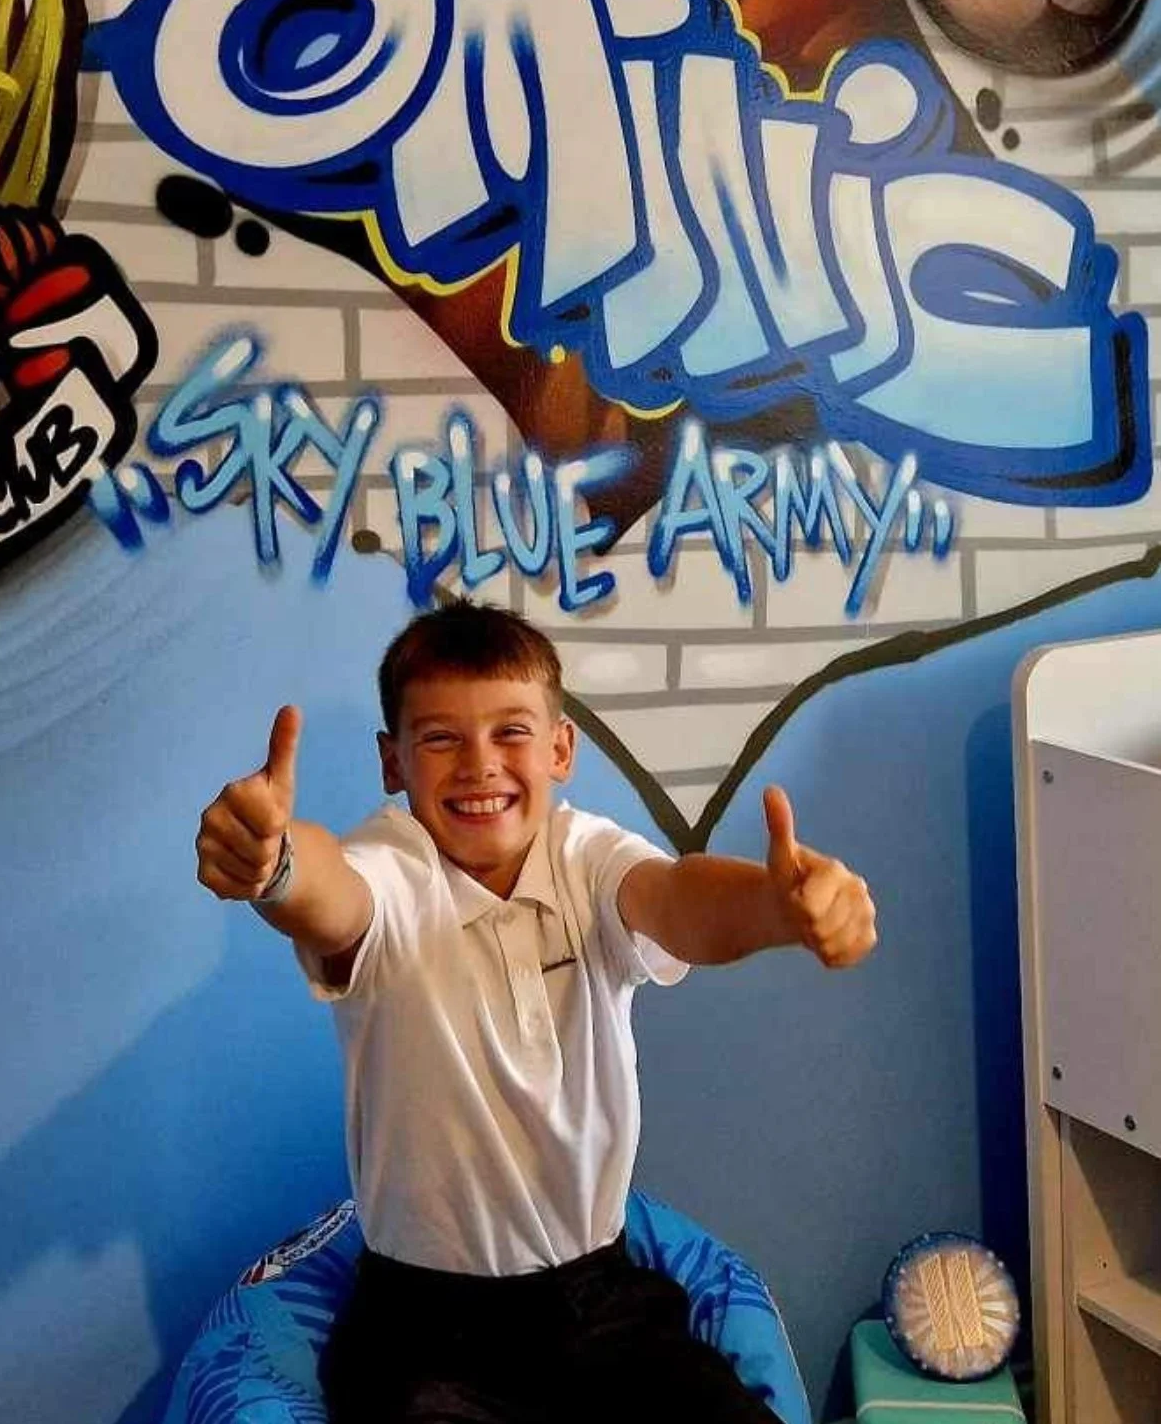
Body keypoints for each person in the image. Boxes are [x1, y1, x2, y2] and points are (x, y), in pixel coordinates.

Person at [196, 601, 877, 1423]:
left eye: (510, 732)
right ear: (393, 762)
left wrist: (776, 908)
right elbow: (331, 892)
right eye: (441, 738)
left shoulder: (586, 854)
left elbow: (677, 900)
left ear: (560, 749)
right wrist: (271, 864)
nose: (479, 764)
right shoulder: (392, 865)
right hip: (420, 1328)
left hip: (599, 1300)